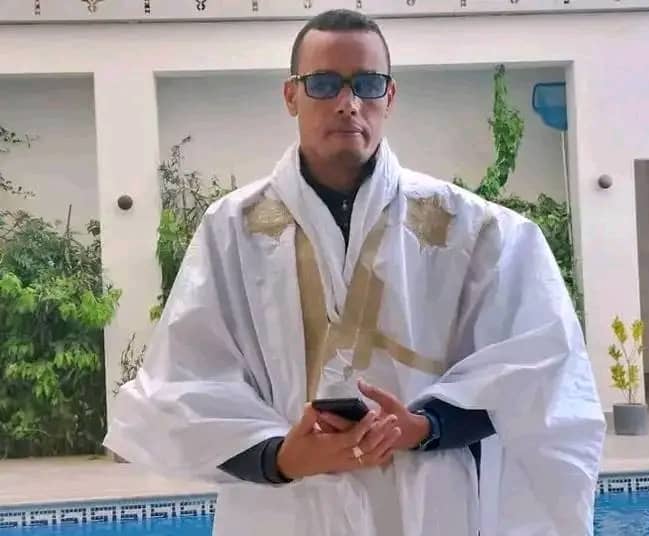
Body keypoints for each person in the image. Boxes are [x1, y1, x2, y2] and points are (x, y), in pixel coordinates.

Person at [104, 9, 606, 536]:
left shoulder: (470, 229)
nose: (348, 103)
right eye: (324, 84)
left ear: (389, 96)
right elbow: (184, 384)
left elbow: (538, 368)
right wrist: (281, 457)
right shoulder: (234, 229)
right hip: (285, 508)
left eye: (367, 84)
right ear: (291, 95)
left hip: (423, 503)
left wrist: (426, 425)